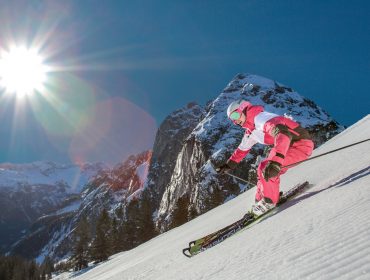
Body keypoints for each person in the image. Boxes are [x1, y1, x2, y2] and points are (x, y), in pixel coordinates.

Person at [217, 100, 314, 216]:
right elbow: (242, 149)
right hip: (284, 146)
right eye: (231, 119)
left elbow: (283, 134)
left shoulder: (261, 119)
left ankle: (269, 202)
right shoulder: (250, 130)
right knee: (261, 168)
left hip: (300, 144)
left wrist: (276, 162)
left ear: (243, 108)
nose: (235, 120)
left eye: (235, 115)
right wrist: (228, 165)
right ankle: (260, 201)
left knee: (266, 169)